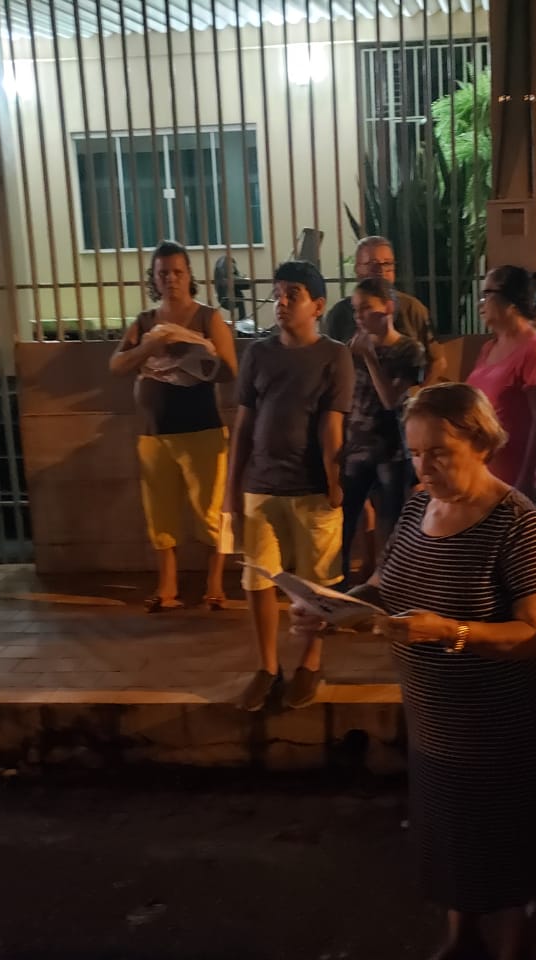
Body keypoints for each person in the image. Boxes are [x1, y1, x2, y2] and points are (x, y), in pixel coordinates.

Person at [288, 383, 536, 960]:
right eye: (415, 452)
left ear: (482, 443)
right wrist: (332, 609)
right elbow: (384, 586)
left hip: (499, 730)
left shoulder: (517, 523)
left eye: (439, 452)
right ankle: (462, 941)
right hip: (434, 724)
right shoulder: (418, 507)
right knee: (453, 843)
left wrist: (451, 632)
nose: (423, 466)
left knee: (509, 858)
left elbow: (535, 634)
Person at [225, 260, 354, 712]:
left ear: (317, 306)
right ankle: (267, 667)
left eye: (292, 294)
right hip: (262, 485)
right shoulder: (258, 354)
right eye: (277, 293)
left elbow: (332, 426)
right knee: (258, 579)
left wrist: (335, 484)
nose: (281, 302)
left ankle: (310, 663)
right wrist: (232, 491)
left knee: (315, 584)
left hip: (312, 487)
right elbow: (243, 425)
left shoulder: (334, 355)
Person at [110, 240, 238, 613]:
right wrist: (149, 347)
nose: (171, 279)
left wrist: (196, 353)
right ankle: (167, 586)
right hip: (154, 432)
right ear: (153, 278)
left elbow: (231, 371)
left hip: (202, 429)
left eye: (177, 272)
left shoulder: (208, 318)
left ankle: (215, 584)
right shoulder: (144, 322)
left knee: (211, 513)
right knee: (160, 515)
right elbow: (116, 365)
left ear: (189, 275)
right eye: (163, 273)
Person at [340, 277, 424, 585]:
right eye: (355, 309)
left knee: (391, 522)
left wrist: (370, 358)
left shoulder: (409, 349)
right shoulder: (351, 349)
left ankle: (388, 585)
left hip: (392, 450)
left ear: (388, 308)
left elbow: (391, 399)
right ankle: (340, 584)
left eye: (366, 308)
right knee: (345, 520)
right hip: (355, 448)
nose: (359, 316)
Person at [466, 266, 536, 505]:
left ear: (511, 302)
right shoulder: (490, 347)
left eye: (487, 294)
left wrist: (527, 479)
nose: (481, 303)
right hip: (486, 475)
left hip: (516, 479)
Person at [322, 235, 446, 382]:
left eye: (387, 264)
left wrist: (419, 391)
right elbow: (327, 365)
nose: (381, 270)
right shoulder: (339, 314)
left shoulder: (412, 308)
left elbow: (437, 360)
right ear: (357, 269)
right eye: (372, 264)